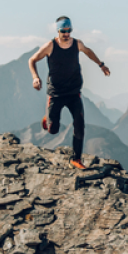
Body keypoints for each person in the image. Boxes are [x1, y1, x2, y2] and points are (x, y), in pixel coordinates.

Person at [28, 16, 110, 170]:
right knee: (53, 130)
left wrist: (101, 65)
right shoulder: (50, 46)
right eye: (63, 31)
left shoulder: (77, 44)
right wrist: (35, 77)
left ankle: (76, 159)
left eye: (69, 31)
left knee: (79, 124)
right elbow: (31, 60)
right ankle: (48, 119)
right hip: (56, 93)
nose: (66, 34)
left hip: (74, 92)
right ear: (58, 31)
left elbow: (87, 51)